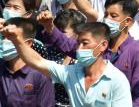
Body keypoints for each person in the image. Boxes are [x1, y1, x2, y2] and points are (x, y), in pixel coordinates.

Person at [37, 0, 139, 107]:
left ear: (127, 21)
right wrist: (49, 27)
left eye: (114, 16)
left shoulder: (138, 54)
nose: (107, 19)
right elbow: (68, 45)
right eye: (106, 15)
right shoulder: (94, 46)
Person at [0, 21, 131, 106]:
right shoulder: (70, 72)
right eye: (78, 43)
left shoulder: (117, 80)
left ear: (103, 45)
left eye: (85, 43)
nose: (79, 49)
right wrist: (16, 40)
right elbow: (37, 61)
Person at [0, 18, 54, 107]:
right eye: (3, 37)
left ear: (28, 43)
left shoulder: (41, 75)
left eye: (11, 36)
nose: (5, 41)